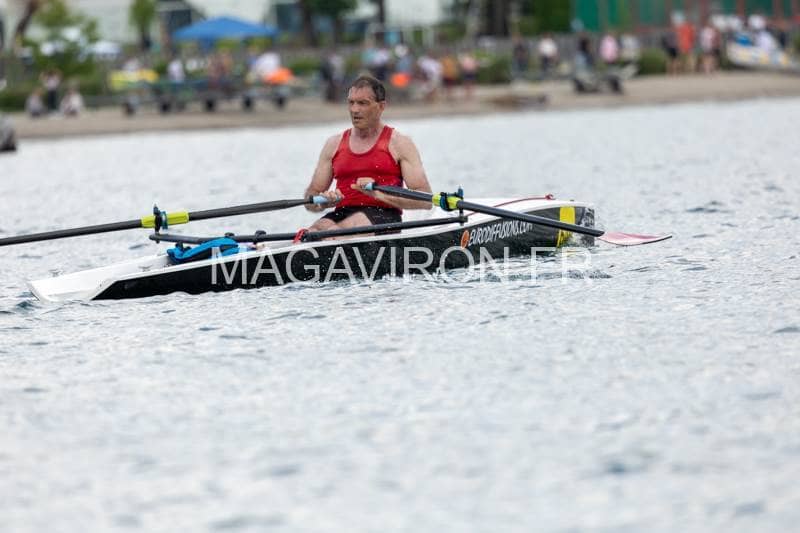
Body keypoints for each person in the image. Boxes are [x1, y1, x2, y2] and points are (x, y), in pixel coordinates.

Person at [303, 75, 432, 233]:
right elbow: (310, 197)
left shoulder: (400, 143)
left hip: (384, 216)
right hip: (342, 213)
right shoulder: (333, 144)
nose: (354, 109)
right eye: (351, 102)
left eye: (362, 103)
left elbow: (425, 199)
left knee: (337, 233)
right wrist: (322, 203)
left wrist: (379, 194)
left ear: (381, 106)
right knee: (313, 232)